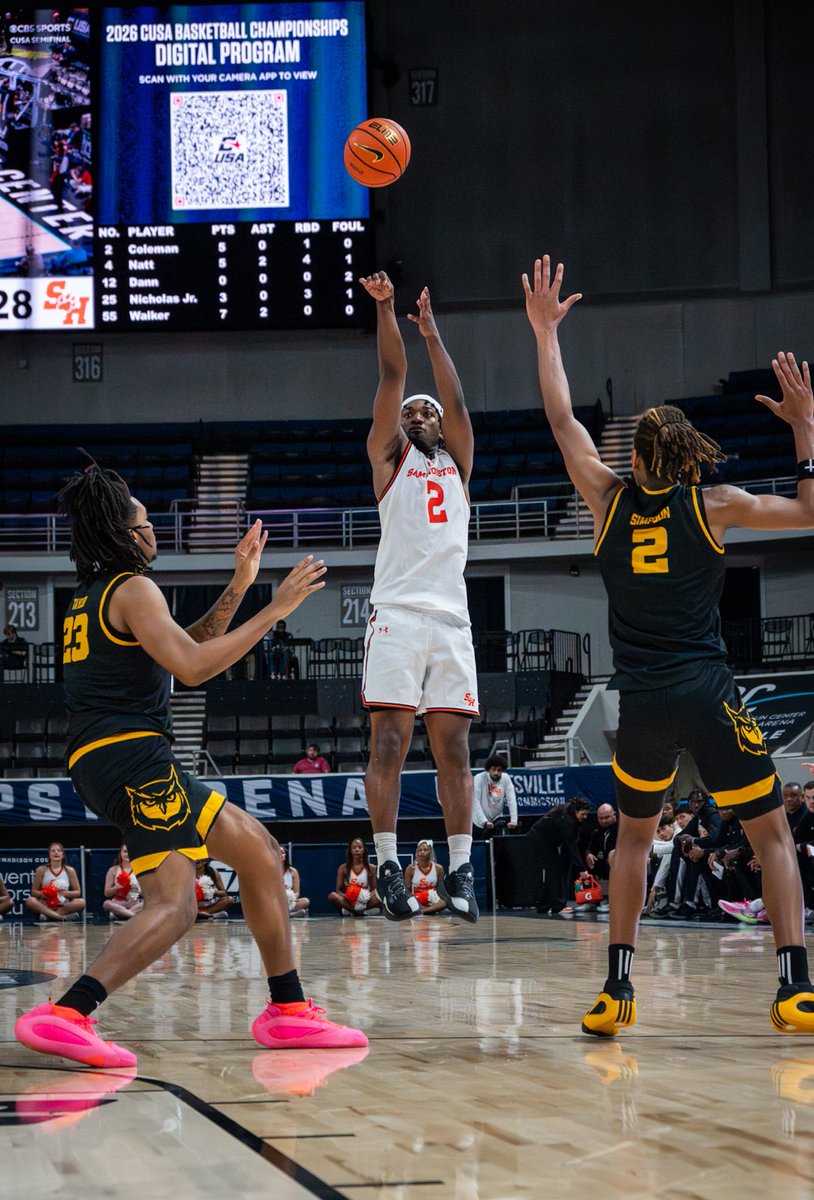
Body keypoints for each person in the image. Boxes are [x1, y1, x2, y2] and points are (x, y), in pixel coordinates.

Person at [523, 253, 814, 1036]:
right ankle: (794, 988)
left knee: (633, 842)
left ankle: (617, 989)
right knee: (773, 834)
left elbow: (560, 420)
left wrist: (545, 333)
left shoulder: (608, 501)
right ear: (685, 456)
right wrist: (804, 432)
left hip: (641, 698)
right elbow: (808, 511)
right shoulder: (714, 503)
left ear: (639, 459)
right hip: (708, 690)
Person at [15, 462, 365, 1070]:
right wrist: (274, 610)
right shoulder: (133, 588)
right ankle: (68, 1013)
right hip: (134, 757)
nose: (152, 532)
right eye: (146, 523)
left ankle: (288, 1009)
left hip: (109, 757)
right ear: (124, 534)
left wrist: (241, 582)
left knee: (258, 852)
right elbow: (196, 667)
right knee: (174, 905)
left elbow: (186, 647)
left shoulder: (93, 597)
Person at [359, 270, 478, 923]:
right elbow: (390, 379)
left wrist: (434, 334)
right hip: (399, 615)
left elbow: (458, 406)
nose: (419, 414)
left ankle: (460, 870)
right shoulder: (390, 458)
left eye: (426, 410)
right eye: (412, 413)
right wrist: (388, 313)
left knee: (454, 749)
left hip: (450, 621)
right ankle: (385, 864)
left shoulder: (458, 460)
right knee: (388, 744)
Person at [528, 797, 591, 915]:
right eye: (583, 814)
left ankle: (550, 905)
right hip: (539, 839)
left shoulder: (569, 814)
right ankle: (553, 905)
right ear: (576, 811)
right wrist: (582, 869)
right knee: (553, 871)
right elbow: (572, 845)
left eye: (586, 814)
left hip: (547, 840)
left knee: (558, 870)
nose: (585, 817)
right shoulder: (567, 821)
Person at [25, 842, 86, 923]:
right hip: (46, 904)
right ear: (49, 855)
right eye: (53, 851)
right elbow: (34, 892)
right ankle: (60, 917)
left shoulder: (69, 870)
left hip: (63, 904)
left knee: (81, 902)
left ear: (63, 855)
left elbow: (77, 892)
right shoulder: (41, 869)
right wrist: (45, 894)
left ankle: (48, 916)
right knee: (30, 901)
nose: (56, 852)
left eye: (59, 850)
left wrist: (64, 893)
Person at [328, 838, 382, 916]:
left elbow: (374, 889)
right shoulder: (343, 868)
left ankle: (350, 911)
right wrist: (346, 896)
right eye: (354, 847)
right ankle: (358, 912)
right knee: (332, 896)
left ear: (364, 850)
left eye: (360, 847)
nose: (357, 849)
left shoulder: (371, 868)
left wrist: (366, 897)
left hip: (365, 899)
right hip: (349, 900)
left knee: (380, 896)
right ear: (350, 850)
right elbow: (338, 890)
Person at [472, 755, 518, 834]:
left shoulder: (506, 778)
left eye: (499, 770)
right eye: (493, 769)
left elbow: (511, 800)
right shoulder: (479, 778)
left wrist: (514, 820)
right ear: (488, 769)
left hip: (496, 819)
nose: (496, 773)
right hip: (478, 821)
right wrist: (484, 821)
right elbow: (475, 801)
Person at [405, 840, 447, 914]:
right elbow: (407, 889)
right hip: (416, 898)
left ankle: (422, 911)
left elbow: (441, 889)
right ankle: (428, 910)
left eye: (425, 850)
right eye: (420, 850)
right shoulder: (411, 868)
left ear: (431, 852)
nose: (422, 852)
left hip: (433, 898)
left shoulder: (438, 868)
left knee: (445, 902)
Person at [102, 844, 142, 921]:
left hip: (134, 903)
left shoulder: (139, 869)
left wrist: (138, 889)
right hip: (118, 904)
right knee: (106, 903)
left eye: (130, 852)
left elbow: (145, 893)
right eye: (125, 851)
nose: (127, 854)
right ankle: (131, 915)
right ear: (120, 853)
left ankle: (122, 915)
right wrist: (116, 887)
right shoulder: (113, 870)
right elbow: (106, 893)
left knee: (147, 903)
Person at [279, 845, 310, 917]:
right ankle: (290, 914)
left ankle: (286, 914)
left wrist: (288, 897)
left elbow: (297, 892)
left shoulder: (293, 871)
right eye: (277, 853)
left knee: (305, 901)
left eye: (282, 853)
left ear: (286, 856)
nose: (280, 855)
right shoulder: (270, 871)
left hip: (289, 902)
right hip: (275, 901)